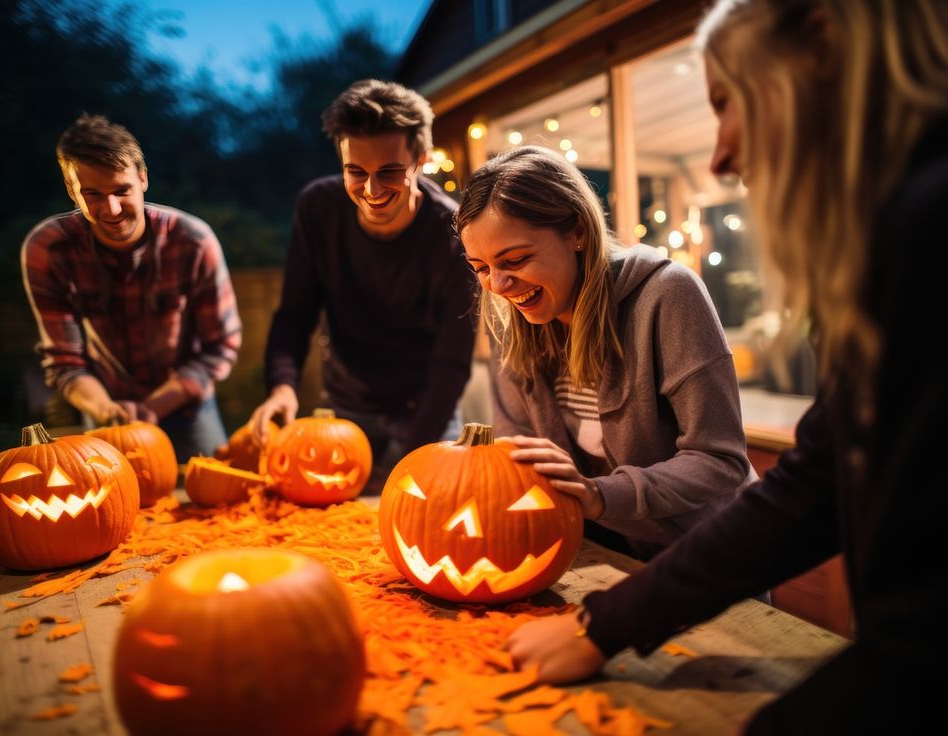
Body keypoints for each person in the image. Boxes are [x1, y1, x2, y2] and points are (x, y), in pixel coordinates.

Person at [505, 0, 948, 732]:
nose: (719, 155)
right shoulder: (888, 243)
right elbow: (815, 486)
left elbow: (923, 630)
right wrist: (607, 624)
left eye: (728, 102)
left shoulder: (925, 234)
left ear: (822, 55)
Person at [456, 145, 756, 561]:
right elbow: (517, 454)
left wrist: (599, 494)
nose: (499, 286)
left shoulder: (667, 295)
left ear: (577, 232)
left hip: (706, 555)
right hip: (597, 549)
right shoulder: (508, 321)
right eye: (481, 267)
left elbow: (719, 460)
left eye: (516, 260)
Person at [249, 79, 476, 493]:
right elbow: (295, 314)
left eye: (389, 172)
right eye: (356, 172)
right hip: (348, 406)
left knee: (424, 515)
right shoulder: (318, 208)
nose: (371, 190)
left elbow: (453, 359)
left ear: (421, 161)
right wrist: (282, 386)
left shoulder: (455, 231)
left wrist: (410, 457)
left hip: (428, 403)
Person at [22, 114, 242, 462]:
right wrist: (108, 410)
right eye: (92, 194)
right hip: (106, 407)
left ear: (143, 178)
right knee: (110, 505)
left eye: (122, 191)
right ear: (71, 189)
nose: (111, 210)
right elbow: (65, 362)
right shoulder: (48, 250)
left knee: (215, 494)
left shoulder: (193, 241)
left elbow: (222, 346)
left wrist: (153, 406)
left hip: (187, 404)